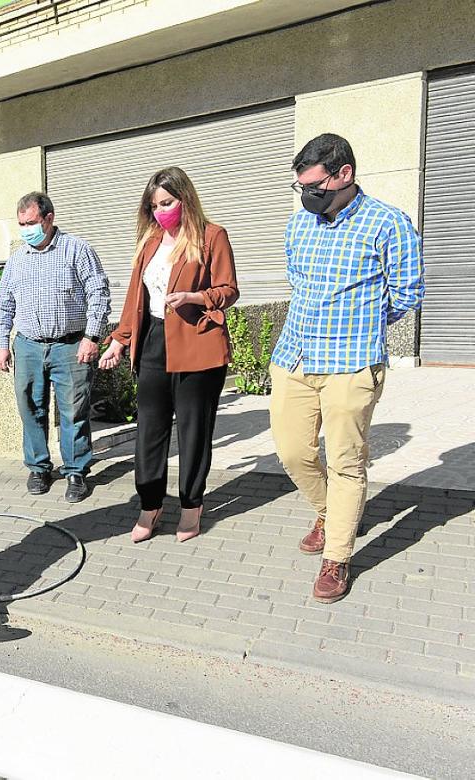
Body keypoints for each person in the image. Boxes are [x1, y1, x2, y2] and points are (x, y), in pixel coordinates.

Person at [269, 133, 423, 604]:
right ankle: (331, 511)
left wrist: (363, 322)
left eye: (315, 187)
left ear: (344, 175)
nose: (308, 196)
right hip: (294, 355)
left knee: (346, 462)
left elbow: (408, 292)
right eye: (301, 188)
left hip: (351, 362)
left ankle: (337, 555)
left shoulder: (388, 223)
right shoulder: (300, 223)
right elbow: (297, 279)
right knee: (293, 452)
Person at [99, 167, 239, 542]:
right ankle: (150, 505)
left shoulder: (212, 237)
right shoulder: (150, 242)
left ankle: (191, 506)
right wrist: (119, 340)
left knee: (194, 432)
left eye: (167, 203)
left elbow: (229, 289)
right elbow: (135, 299)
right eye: (154, 205)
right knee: (149, 431)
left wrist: (196, 297)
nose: (161, 211)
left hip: (197, 341)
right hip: (154, 342)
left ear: (184, 199)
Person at [0, 191, 111, 502]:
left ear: (49, 218)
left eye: (31, 222)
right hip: (29, 345)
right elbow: (3, 303)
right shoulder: (18, 259)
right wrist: (0, 342)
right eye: (21, 224)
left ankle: (76, 472)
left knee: (73, 411)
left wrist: (92, 336)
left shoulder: (77, 250)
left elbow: (99, 294)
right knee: (30, 409)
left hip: (70, 345)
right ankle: (38, 467)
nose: (26, 230)